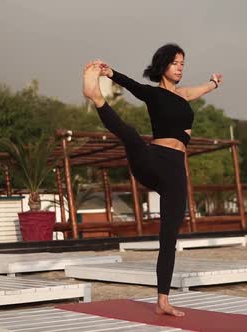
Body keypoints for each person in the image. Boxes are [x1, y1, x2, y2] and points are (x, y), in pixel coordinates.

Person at [82, 43, 222, 317]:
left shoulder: (182, 95)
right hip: (153, 161)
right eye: (175, 63)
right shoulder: (153, 94)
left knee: (169, 238)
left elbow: (196, 91)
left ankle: (163, 301)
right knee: (132, 134)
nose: (180, 67)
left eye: (183, 63)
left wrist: (213, 84)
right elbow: (132, 85)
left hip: (176, 171)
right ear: (163, 66)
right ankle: (96, 97)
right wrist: (110, 73)